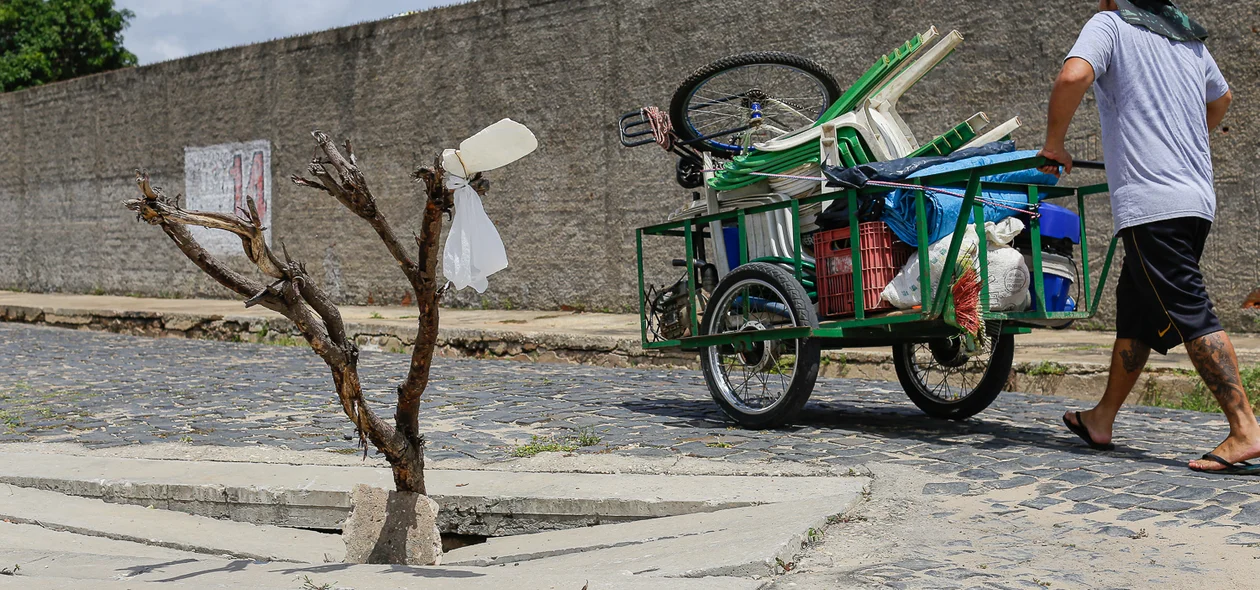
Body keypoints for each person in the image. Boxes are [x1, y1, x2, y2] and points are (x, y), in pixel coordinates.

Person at [1037, 0, 1258, 474]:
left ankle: (1244, 428)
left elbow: (1074, 76)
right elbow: (1222, 100)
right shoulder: (1186, 39)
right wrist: (1181, 139)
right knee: (1136, 311)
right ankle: (1102, 418)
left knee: (1190, 309)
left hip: (1152, 204)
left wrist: (1054, 143)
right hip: (1195, 199)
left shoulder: (1110, 26)